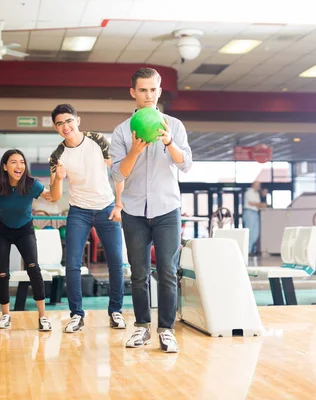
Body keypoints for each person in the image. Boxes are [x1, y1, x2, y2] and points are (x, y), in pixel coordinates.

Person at [109, 67, 193, 353]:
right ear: (133, 92)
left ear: (159, 91)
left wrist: (169, 142)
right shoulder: (122, 131)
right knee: (139, 272)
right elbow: (118, 176)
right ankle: (142, 327)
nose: (148, 95)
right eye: (142, 90)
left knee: (168, 272)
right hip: (134, 210)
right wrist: (134, 150)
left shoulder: (175, 125)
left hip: (167, 208)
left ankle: (166, 330)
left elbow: (186, 165)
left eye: (153, 89)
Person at [49, 103, 126, 333]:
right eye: (60, 123)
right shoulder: (57, 155)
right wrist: (58, 179)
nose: (65, 126)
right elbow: (54, 196)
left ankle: (116, 312)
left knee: (116, 262)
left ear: (77, 120)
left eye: (69, 121)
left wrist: (119, 204)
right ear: (55, 127)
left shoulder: (97, 140)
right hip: (78, 211)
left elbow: (118, 172)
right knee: (72, 264)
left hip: (106, 207)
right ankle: (76, 315)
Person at [0, 149, 54, 331]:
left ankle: (43, 317)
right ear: (5, 166)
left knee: (33, 269)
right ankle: (5, 315)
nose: (19, 165)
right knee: (2, 273)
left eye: (21, 162)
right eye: (13, 162)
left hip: (24, 230)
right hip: (2, 230)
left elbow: (51, 196)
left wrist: (57, 178)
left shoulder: (32, 184)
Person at [243, 181, 268, 256]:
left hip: (255, 213)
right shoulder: (249, 192)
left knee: (255, 233)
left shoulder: (257, 193)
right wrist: (262, 204)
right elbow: (252, 203)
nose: (259, 187)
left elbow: (261, 203)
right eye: (257, 185)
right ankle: (247, 251)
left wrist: (264, 196)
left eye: (259, 185)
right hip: (249, 213)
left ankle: (250, 250)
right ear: (253, 185)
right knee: (249, 232)